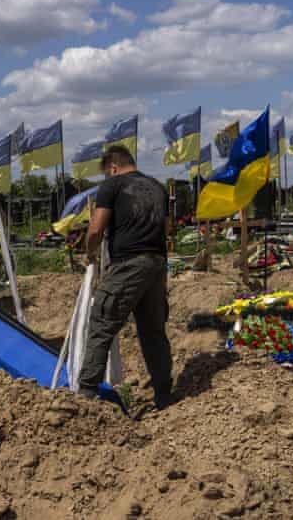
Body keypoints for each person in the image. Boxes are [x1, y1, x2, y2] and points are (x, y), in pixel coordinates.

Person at [80, 145, 173, 410]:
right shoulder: (156, 186)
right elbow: (167, 227)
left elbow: (96, 228)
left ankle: (86, 396)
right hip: (156, 264)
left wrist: (90, 254)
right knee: (153, 332)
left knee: (101, 324)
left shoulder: (112, 186)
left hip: (128, 264)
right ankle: (164, 395)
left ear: (113, 167)